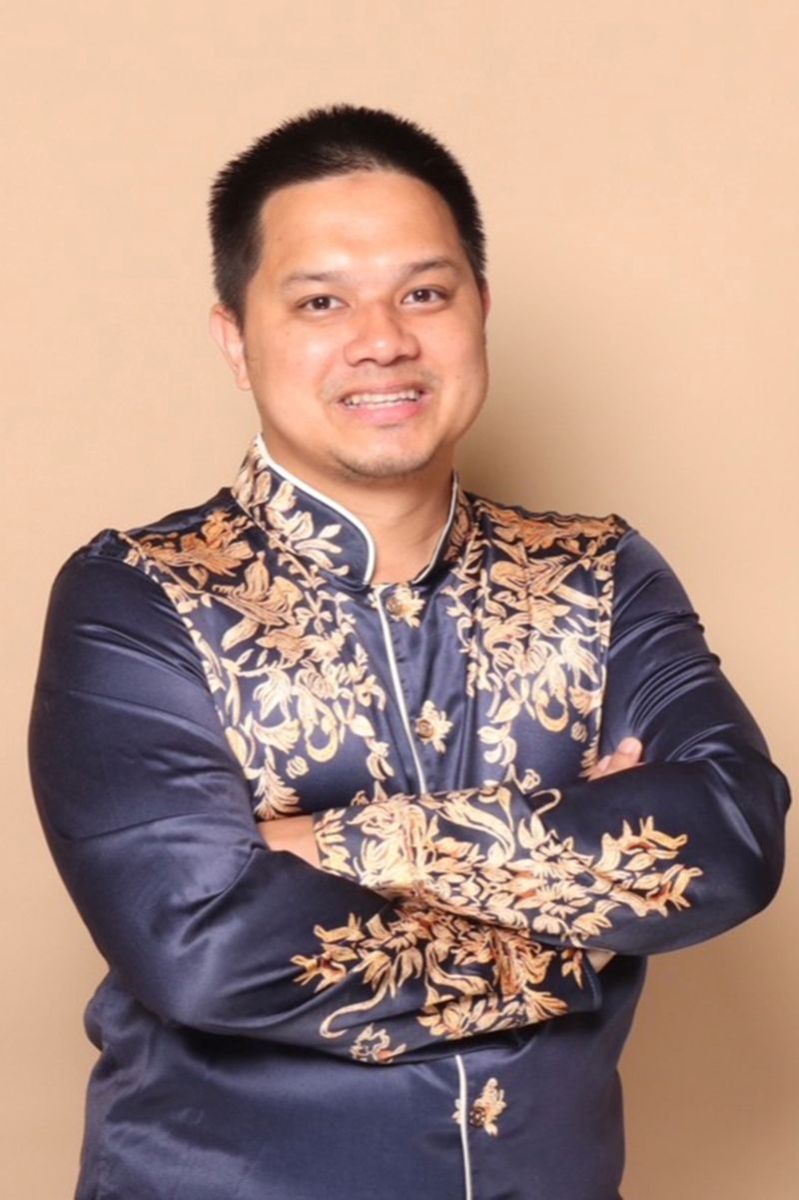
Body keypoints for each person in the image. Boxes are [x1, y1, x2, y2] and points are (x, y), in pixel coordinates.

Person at [29, 104, 789, 1200]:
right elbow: (201, 946)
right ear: (235, 339)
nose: (382, 339)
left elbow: (731, 836)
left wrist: (346, 842)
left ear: (480, 309)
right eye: (321, 301)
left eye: (424, 293)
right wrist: (581, 931)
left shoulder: (599, 575)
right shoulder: (138, 597)